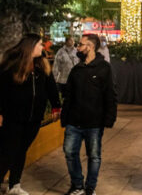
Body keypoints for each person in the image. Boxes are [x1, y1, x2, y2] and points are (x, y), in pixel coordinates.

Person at [0, 34, 61, 195]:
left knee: (21, 151)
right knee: (8, 151)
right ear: (30, 46)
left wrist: (56, 106)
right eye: (40, 44)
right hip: (11, 119)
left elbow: (51, 87)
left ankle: (15, 185)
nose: (43, 47)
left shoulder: (42, 66)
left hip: (33, 119)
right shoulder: (9, 66)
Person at [61, 33, 117, 195]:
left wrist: (109, 118)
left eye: (80, 44)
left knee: (94, 156)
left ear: (90, 47)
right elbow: (69, 95)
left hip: (94, 122)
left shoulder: (104, 68)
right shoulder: (77, 68)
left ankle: (90, 188)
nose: (78, 47)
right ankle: (77, 185)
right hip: (74, 121)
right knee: (70, 152)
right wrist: (65, 116)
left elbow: (110, 95)